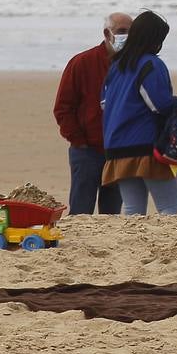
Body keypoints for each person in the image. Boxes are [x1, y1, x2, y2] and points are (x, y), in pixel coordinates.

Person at [101, 10, 177, 216]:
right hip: (146, 147)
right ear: (155, 39)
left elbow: (104, 104)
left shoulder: (116, 66)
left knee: (132, 208)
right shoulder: (151, 64)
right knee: (168, 207)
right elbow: (159, 105)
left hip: (117, 147)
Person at [53, 12, 133, 216]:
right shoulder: (82, 62)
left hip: (118, 151)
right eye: (122, 31)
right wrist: (78, 140)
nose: (127, 36)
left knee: (112, 214)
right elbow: (63, 107)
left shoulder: (132, 65)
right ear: (107, 33)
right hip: (86, 151)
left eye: (131, 32)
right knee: (81, 212)